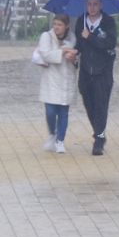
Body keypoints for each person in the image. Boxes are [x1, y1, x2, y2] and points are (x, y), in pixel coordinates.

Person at [74, 0, 118, 156]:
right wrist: (74, 53)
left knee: (101, 106)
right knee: (89, 105)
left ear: (101, 5)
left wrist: (90, 37)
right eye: (89, 4)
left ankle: (99, 140)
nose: (92, 8)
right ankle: (99, 131)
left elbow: (110, 43)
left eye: (95, 4)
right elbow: (79, 44)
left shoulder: (108, 22)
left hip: (103, 71)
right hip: (86, 71)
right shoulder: (81, 21)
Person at [33, 14, 79, 153]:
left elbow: (78, 57)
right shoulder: (46, 36)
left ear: (67, 26)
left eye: (60, 25)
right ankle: (52, 134)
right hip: (51, 80)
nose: (56, 27)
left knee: (63, 112)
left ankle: (60, 141)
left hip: (66, 79)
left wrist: (73, 59)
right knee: (51, 111)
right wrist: (62, 51)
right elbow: (45, 54)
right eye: (55, 24)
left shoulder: (73, 38)